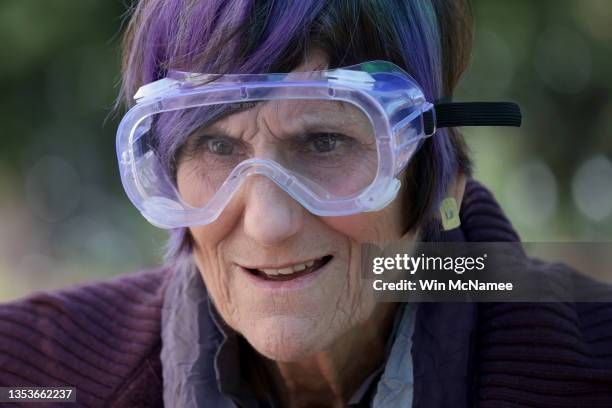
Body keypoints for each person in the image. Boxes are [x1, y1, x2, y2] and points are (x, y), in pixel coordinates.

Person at [1, 0, 611, 407]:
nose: (266, 224)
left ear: (437, 171)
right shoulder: (31, 378)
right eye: (215, 144)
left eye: (324, 141)